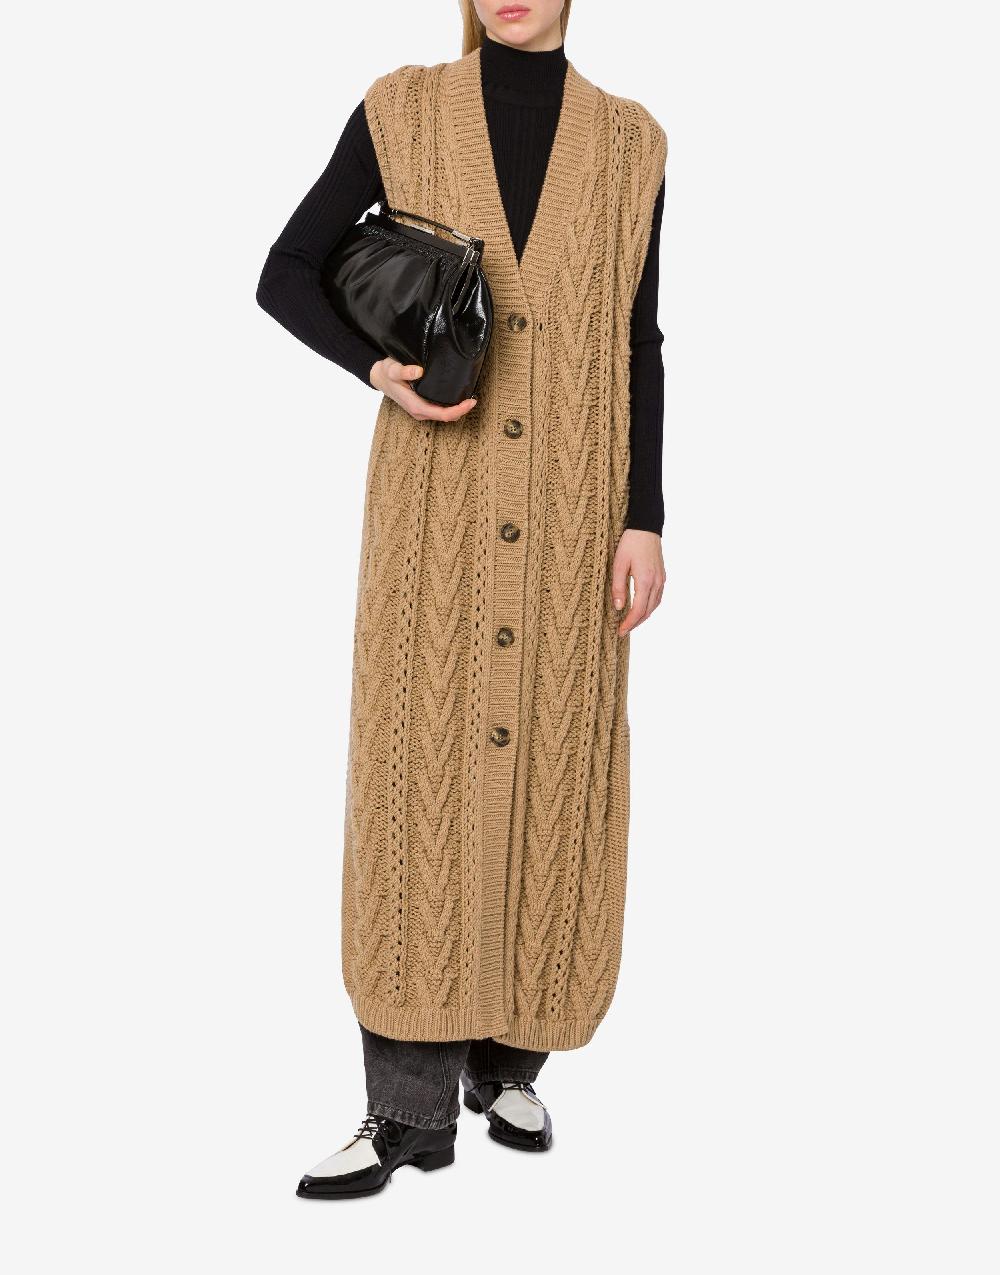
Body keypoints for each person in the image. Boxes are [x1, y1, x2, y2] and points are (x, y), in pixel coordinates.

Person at [256, 0, 667, 1200]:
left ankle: (508, 1061)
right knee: (418, 784)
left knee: (555, 776)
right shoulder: (403, 108)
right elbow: (285, 273)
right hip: (436, 516)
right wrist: (374, 367)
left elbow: (638, 341)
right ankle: (404, 1112)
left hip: (578, 518)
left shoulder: (633, 142)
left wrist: (645, 517)